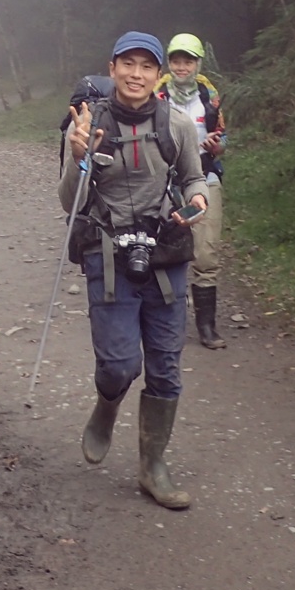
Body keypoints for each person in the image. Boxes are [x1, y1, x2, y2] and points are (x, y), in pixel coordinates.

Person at [61, 31, 208, 509]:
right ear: (113, 67)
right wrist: (79, 156)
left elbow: (191, 175)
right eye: (128, 64)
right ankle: (107, 405)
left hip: (163, 251)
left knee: (166, 366)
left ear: (158, 73)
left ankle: (152, 467)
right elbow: (70, 202)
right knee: (120, 365)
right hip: (107, 253)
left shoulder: (178, 124)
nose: (136, 74)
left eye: (148, 66)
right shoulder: (87, 123)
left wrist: (198, 198)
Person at [158, 33, 229, 349]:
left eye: (188, 60)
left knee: (205, 250)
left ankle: (206, 326)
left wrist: (218, 146)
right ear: (169, 62)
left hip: (204, 178)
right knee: (162, 247)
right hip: (163, 183)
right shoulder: (156, 96)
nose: (181, 66)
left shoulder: (209, 97)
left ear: (197, 62)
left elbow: (223, 138)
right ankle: (162, 321)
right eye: (176, 60)